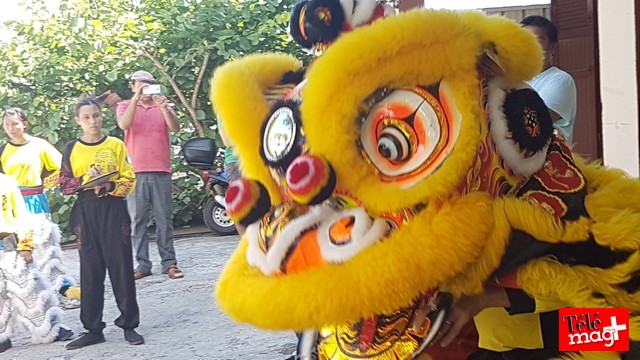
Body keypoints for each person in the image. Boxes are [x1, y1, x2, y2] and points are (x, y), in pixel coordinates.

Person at [60, 98, 144, 350]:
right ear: (78, 120)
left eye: (96, 115)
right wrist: (87, 178)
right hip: (86, 212)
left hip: (113, 209)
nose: (92, 121)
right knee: (90, 270)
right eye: (86, 117)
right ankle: (93, 328)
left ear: (101, 116)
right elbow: (64, 185)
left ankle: (129, 324)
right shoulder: (72, 148)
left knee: (121, 267)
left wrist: (109, 185)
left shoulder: (116, 145)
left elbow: (130, 180)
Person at [1, 108, 80, 305]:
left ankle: (62, 290)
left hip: (35, 199)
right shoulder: (3, 151)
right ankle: (32, 295)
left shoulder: (39, 145)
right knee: (18, 251)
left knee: (45, 248)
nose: (11, 128)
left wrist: (46, 183)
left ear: (24, 124)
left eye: (15, 123)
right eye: (7, 124)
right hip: (10, 205)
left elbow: (62, 166)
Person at [116, 70, 184, 280]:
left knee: (164, 220)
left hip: (161, 169)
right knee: (137, 221)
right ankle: (142, 264)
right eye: (141, 85)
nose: (145, 89)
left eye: (149, 85)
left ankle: (169, 263)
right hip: (135, 172)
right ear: (133, 86)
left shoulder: (162, 105)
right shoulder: (125, 106)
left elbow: (175, 127)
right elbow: (124, 125)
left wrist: (165, 109)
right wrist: (136, 100)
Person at [0, 173, 73, 353]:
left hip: (9, 241)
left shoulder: (6, 182)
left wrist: (25, 243)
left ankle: (49, 329)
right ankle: (2, 337)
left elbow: (22, 215)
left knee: (31, 289)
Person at [521, 15, 578, 145]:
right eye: (524, 41)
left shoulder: (560, 80)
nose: (529, 47)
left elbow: (533, 122)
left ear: (552, 48)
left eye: (537, 41)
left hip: (547, 164)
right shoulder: (509, 80)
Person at [216, 117, 245, 235]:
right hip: (236, 162)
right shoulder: (225, 108)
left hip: (260, 160)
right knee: (239, 207)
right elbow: (228, 141)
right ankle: (247, 246)